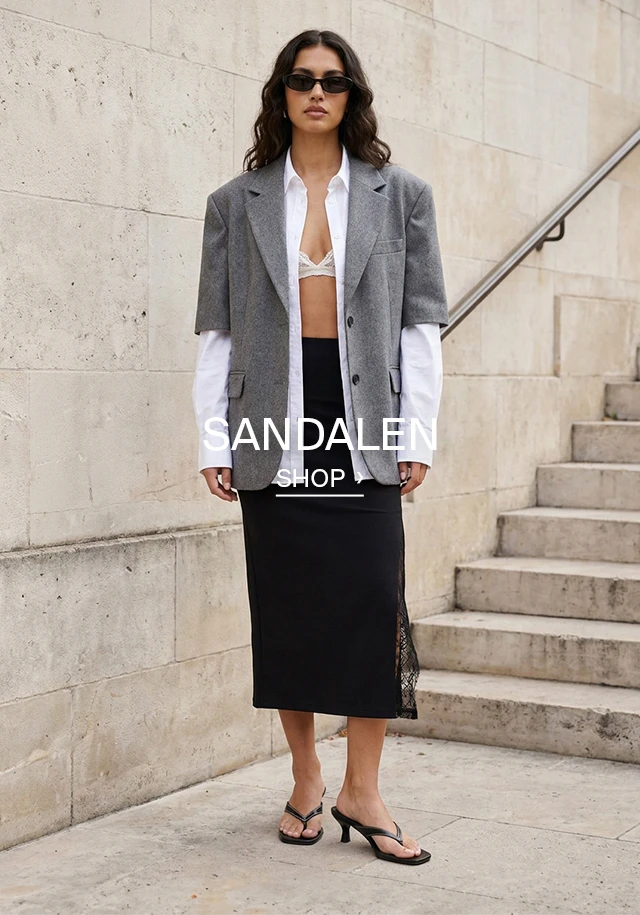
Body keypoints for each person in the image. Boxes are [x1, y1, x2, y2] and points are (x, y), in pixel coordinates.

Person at [192, 29, 448, 865]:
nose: (316, 93)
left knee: (375, 604)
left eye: (332, 81)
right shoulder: (234, 203)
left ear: (351, 96)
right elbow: (217, 331)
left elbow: (420, 325)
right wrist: (214, 437)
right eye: (302, 79)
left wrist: (417, 431)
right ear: (282, 92)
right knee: (288, 607)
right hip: (274, 424)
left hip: (365, 420)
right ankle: (306, 777)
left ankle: (362, 788)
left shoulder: (401, 195)